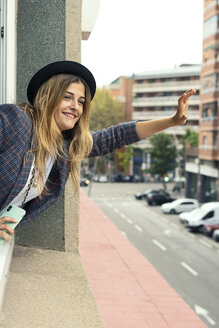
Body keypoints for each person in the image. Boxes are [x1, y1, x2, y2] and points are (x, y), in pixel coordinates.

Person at [0, 60, 196, 243]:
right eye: (67, 97)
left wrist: (173, 121)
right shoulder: (16, 120)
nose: (75, 107)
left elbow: (116, 136)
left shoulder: (63, 146)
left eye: (81, 101)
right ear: (47, 96)